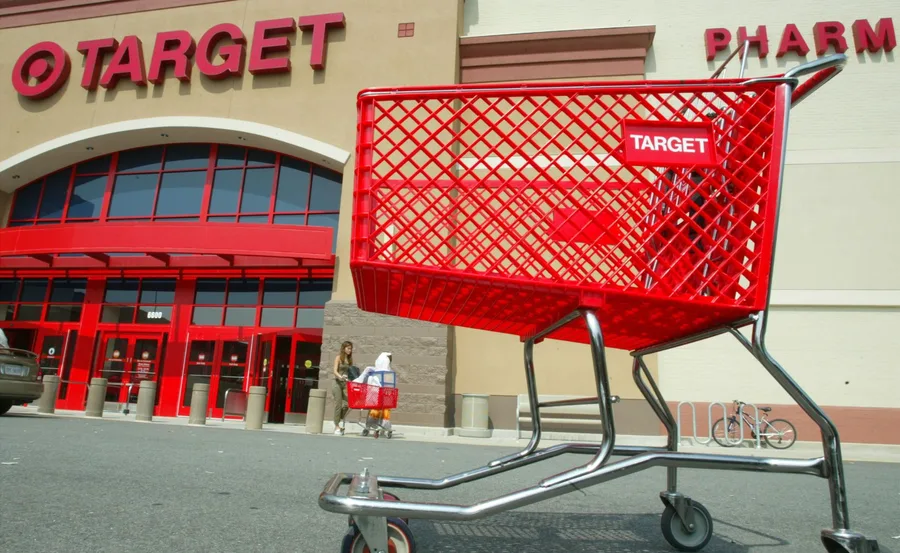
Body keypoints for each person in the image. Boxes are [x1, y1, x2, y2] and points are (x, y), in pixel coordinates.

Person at [332, 341, 354, 435]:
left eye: (351, 348)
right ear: (344, 348)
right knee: (338, 404)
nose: (350, 350)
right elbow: (334, 371)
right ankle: (336, 426)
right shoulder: (338, 358)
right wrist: (340, 377)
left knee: (350, 402)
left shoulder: (349, 360)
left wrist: (349, 379)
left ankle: (337, 419)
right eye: (348, 348)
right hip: (337, 383)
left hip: (344, 383)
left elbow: (349, 372)